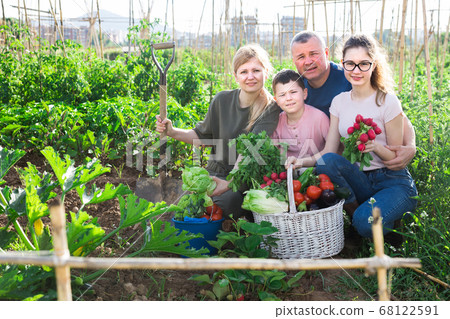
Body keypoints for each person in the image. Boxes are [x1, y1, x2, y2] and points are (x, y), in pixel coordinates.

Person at [286, 34, 417, 238]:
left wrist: (388, 146)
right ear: (343, 64)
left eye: (363, 64)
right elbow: (328, 152)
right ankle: (360, 220)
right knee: (327, 162)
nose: (356, 70)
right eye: (350, 64)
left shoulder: (387, 100)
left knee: (367, 223)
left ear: (373, 65)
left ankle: (383, 221)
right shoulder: (338, 102)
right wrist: (299, 162)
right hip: (360, 179)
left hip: (391, 178)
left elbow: (395, 157)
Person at [156, 44, 280, 220]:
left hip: (242, 180)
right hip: (214, 172)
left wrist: (229, 183)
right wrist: (171, 131)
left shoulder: (270, 108)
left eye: (256, 70)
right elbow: (201, 135)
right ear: (236, 76)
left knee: (221, 205)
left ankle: (227, 231)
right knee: (183, 206)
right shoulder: (222, 100)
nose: (250, 77)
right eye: (244, 72)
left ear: (266, 72)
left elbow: (251, 149)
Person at [290, 31, 416, 171]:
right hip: (323, 158)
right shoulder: (295, 89)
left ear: (326, 53)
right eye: (301, 57)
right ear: (294, 60)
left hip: (354, 161)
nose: (308, 61)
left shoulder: (351, 75)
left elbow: (398, 116)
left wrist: (411, 146)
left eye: (314, 54)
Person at [270, 69, 329, 159]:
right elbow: (273, 153)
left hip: (318, 168)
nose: (288, 98)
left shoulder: (320, 118)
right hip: (287, 170)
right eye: (282, 95)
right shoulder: (276, 123)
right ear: (276, 100)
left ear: (304, 93)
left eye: (293, 92)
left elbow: (333, 149)